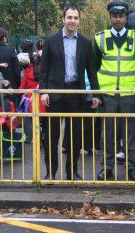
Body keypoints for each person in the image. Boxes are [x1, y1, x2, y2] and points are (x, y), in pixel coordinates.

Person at [40, 6, 100, 180]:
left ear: (79, 20)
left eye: (75, 18)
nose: (72, 21)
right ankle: (51, 173)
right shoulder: (51, 40)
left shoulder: (86, 43)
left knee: (75, 137)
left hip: (76, 93)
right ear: (63, 19)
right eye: (69, 17)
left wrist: (95, 94)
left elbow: (92, 71)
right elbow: (43, 70)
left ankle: (72, 172)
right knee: (52, 137)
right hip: (54, 94)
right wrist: (44, 92)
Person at [94, 1, 135, 181]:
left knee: (130, 134)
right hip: (108, 95)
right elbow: (95, 66)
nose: (117, 19)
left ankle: (132, 169)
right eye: (114, 16)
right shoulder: (100, 38)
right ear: (110, 17)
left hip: (128, 94)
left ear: (126, 17)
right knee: (107, 134)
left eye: (121, 16)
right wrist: (97, 93)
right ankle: (106, 168)